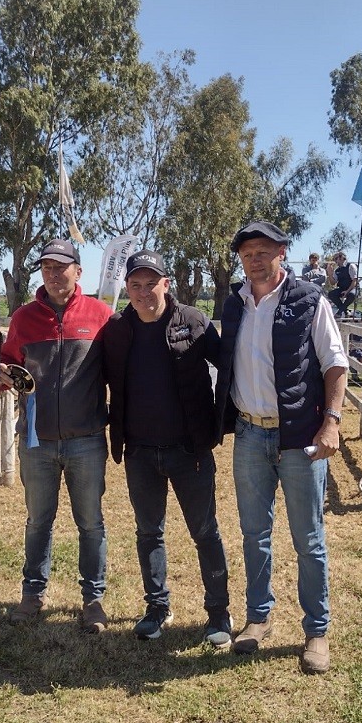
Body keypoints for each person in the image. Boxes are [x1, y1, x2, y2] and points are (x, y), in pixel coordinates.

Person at [214, 220, 348, 675]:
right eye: (248, 251)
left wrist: (330, 423)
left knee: (308, 539)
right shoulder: (233, 305)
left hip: (299, 438)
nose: (255, 257)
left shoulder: (311, 301)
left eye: (264, 250)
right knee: (255, 534)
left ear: (282, 253)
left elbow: (335, 364)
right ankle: (258, 618)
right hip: (250, 434)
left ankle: (317, 631)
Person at [102, 250, 232, 647]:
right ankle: (157, 608)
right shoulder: (117, 329)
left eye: (151, 283)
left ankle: (218, 614)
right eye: (135, 285)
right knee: (148, 533)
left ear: (166, 284)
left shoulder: (192, 321)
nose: (144, 293)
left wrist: (222, 423)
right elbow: (89, 375)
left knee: (205, 532)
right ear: (127, 288)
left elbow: (230, 366)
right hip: (140, 453)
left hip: (189, 452)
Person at [0, 238, 114, 634]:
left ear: (78, 271)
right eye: (47, 266)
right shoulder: (23, 317)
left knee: (91, 523)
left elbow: (123, 370)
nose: (53, 273)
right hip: (36, 439)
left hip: (88, 439)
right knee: (37, 522)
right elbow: (8, 362)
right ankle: (32, 594)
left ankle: (93, 599)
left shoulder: (102, 315)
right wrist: (0, 375)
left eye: (61, 267)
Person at [327, 251, 359, 317]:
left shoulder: (351, 266)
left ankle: (340, 312)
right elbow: (333, 283)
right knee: (331, 294)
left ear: (341, 258)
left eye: (336, 258)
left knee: (352, 295)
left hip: (352, 288)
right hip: (342, 288)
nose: (335, 261)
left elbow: (354, 281)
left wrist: (347, 291)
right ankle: (345, 310)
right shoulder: (337, 270)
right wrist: (330, 274)